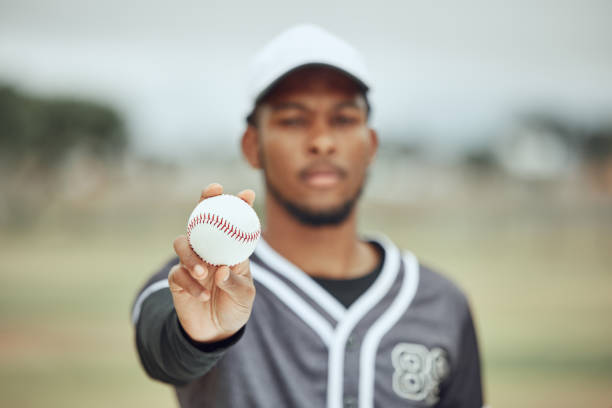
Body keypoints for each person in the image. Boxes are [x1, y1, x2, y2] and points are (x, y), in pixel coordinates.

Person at [131, 24, 484, 408]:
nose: (322, 141)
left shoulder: (440, 302)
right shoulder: (199, 283)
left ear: (371, 145)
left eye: (344, 119)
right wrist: (199, 337)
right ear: (253, 145)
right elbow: (162, 344)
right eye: (294, 120)